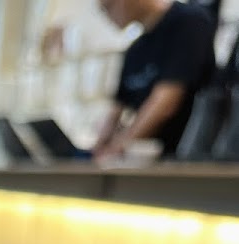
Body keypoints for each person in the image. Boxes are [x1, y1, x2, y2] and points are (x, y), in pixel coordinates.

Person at [93, 0, 217, 158]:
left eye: (108, 7)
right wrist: (98, 147)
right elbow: (116, 108)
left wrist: (120, 146)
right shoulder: (135, 50)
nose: (107, 16)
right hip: (148, 159)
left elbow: (165, 102)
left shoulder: (189, 21)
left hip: (185, 159)